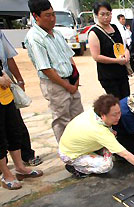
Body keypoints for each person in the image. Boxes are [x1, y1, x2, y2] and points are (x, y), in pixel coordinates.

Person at [59, 94, 134, 177]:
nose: (118, 117)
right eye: (114, 115)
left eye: (119, 112)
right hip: (71, 154)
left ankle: (95, 152)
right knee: (107, 165)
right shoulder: (100, 131)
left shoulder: (95, 111)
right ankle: (77, 168)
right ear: (103, 115)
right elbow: (125, 154)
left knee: (113, 138)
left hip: (80, 143)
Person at [25, 0, 84, 142]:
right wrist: (67, 86)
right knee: (62, 120)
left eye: (53, 15)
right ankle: (68, 155)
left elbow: (69, 56)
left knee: (79, 117)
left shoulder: (57, 33)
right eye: (47, 16)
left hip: (70, 80)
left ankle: (83, 147)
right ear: (36, 16)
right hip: (56, 84)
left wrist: (75, 78)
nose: (52, 19)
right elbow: (46, 69)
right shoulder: (35, 38)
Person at [0, 29, 41, 166]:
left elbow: (9, 57)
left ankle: (25, 157)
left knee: (15, 124)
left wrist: (19, 80)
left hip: (7, 89)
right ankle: (3, 166)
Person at [0, 60, 43, 190]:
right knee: (0, 138)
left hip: (6, 96)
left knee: (15, 131)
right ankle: (6, 174)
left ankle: (20, 168)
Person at [88, 1, 130, 100]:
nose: (106, 17)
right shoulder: (94, 32)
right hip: (108, 75)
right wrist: (116, 61)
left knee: (126, 100)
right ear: (96, 15)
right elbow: (96, 56)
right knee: (116, 101)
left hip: (121, 72)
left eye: (108, 14)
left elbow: (123, 46)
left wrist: (127, 55)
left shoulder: (115, 27)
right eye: (102, 14)